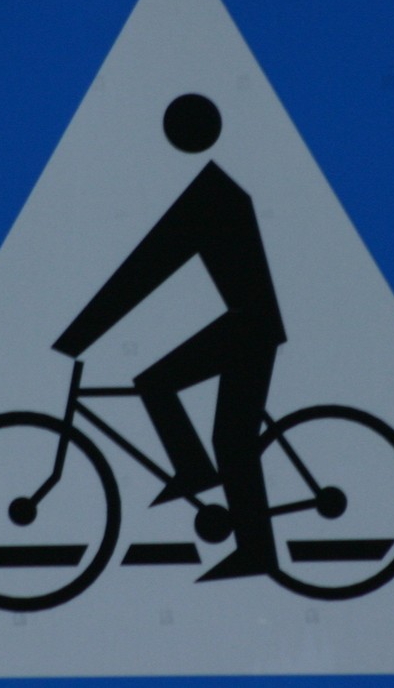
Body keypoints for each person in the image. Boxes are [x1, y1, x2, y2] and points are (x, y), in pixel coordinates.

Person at [52, 93, 283, 581]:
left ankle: (251, 543)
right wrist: (80, 335)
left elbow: (145, 270)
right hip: (247, 324)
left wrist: (79, 337)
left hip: (249, 327)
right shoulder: (212, 192)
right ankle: (200, 476)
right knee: (213, 423)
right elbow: (147, 267)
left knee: (220, 430)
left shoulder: (210, 197)